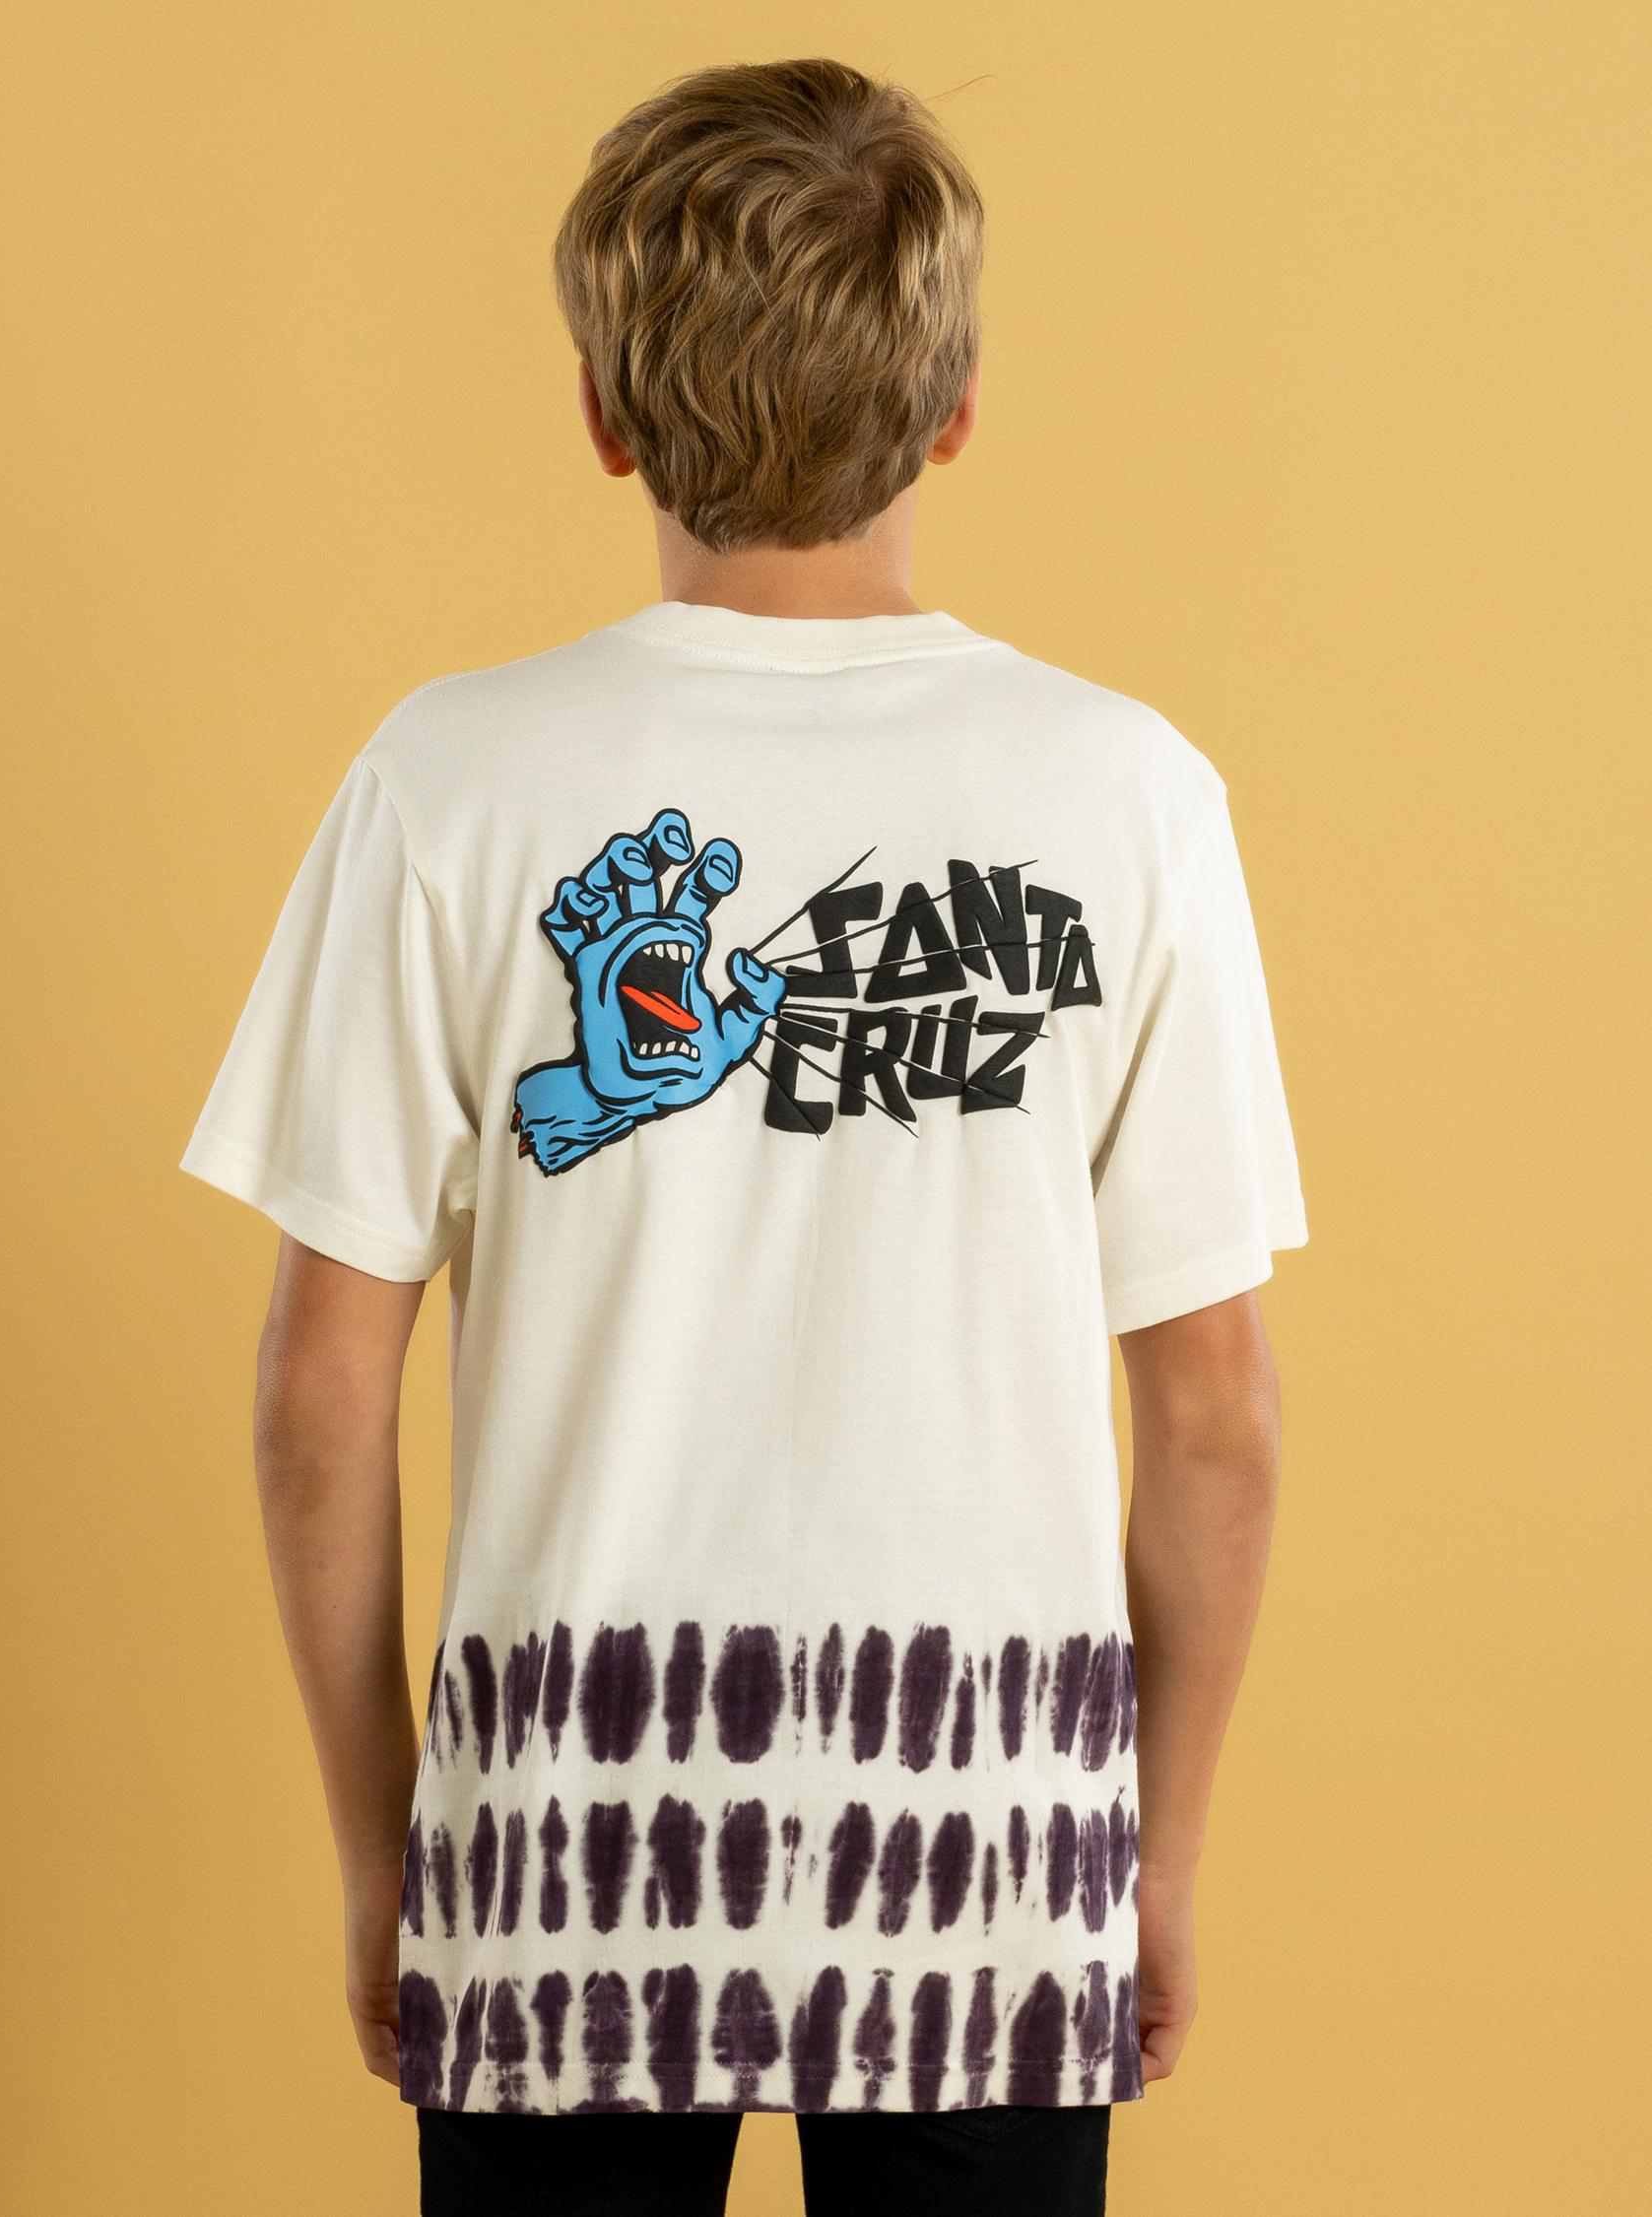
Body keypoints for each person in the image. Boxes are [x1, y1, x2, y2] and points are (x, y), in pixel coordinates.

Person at [180, 55, 1306, 2217]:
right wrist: (1151, 1856)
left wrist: (388, 1844)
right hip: (988, 1847)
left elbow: (323, 1394)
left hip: (566, 1838)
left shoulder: (450, 780)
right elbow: (1215, 1419)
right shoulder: (1131, 796)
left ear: (604, 408)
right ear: (953, 405)